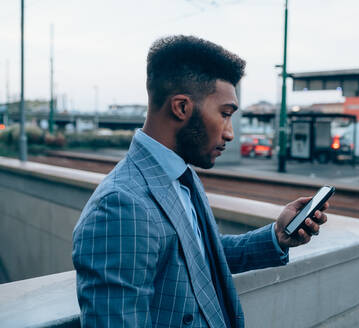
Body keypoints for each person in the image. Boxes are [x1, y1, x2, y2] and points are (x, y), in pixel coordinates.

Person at [72, 35, 328, 328]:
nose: (230, 133)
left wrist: (277, 236)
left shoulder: (182, 175)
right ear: (181, 107)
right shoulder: (119, 206)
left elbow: (197, 256)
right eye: (225, 114)